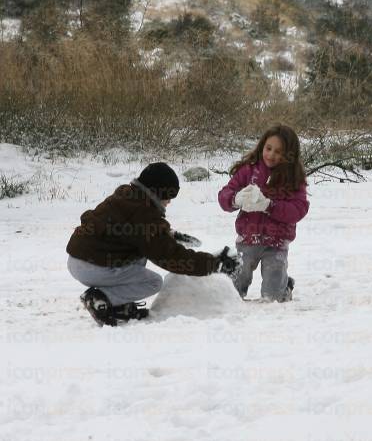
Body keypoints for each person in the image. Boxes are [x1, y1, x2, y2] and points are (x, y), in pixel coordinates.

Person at [67, 162, 240, 326]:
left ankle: (119, 306)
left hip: (80, 258)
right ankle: (101, 300)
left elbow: (132, 230)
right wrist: (213, 264)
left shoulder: (127, 196)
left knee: (139, 260)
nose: (169, 202)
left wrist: (168, 235)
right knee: (153, 282)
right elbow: (171, 257)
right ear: (156, 193)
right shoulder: (143, 214)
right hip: (91, 265)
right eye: (168, 196)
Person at [218, 124, 309, 302]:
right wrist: (235, 199)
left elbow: (298, 209)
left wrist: (269, 206)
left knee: (273, 297)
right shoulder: (248, 170)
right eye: (268, 148)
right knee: (232, 292)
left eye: (278, 152)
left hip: (277, 242)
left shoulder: (293, 179)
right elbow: (224, 195)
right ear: (262, 146)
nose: (271, 155)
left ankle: (284, 287)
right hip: (248, 238)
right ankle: (227, 281)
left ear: (289, 155)